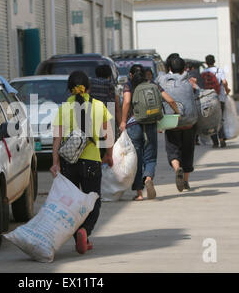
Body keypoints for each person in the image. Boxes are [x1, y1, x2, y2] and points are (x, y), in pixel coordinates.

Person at [50, 71, 114, 255]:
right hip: (92, 161)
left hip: (68, 163)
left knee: (72, 203)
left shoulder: (63, 108)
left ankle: (79, 234)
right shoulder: (99, 106)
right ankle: (84, 231)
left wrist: (56, 163)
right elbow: (108, 135)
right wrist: (109, 155)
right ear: (89, 88)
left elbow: (57, 139)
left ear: (70, 90)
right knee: (93, 201)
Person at [120, 65, 180, 201]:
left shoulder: (128, 85)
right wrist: (177, 112)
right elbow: (169, 99)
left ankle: (139, 193)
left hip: (133, 125)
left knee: (136, 158)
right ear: (145, 74)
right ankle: (148, 177)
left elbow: (127, 102)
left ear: (130, 75)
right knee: (151, 157)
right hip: (151, 123)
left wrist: (123, 121)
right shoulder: (153, 84)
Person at [156, 56, 197, 192]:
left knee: (173, 150)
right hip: (189, 124)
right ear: (184, 68)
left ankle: (176, 168)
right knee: (188, 152)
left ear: (169, 68)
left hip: (171, 123)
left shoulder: (162, 80)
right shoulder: (189, 81)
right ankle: (185, 181)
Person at [203, 55, 230, 149]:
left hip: (208, 99)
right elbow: (225, 82)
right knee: (219, 119)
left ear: (206, 62)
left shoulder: (204, 72)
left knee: (210, 120)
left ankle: (215, 142)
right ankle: (221, 139)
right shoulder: (219, 70)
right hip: (220, 98)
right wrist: (227, 90)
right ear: (214, 61)